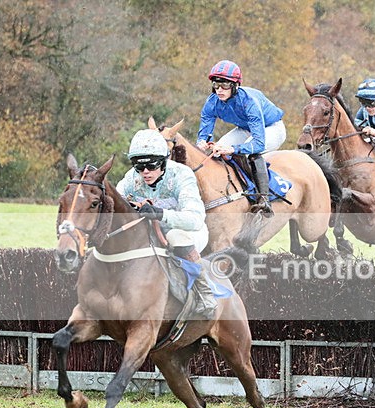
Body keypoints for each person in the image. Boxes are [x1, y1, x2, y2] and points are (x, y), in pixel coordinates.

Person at [117, 129, 217, 319]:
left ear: (164, 161)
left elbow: (195, 219)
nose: (145, 172)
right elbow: (116, 204)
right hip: (149, 233)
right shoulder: (131, 177)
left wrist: (160, 214)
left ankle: (205, 293)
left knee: (175, 236)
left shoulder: (181, 174)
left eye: (152, 165)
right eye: (139, 166)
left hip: (187, 232)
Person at [196, 60, 286, 217]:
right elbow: (205, 132)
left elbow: (258, 143)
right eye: (216, 85)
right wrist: (202, 143)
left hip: (271, 127)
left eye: (224, 85)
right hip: (245, 129)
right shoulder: (212, 102)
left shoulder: (249, 101)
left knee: (247, 152)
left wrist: (233, 149)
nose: (219, 90)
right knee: (217, 152)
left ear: (235, 85)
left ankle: (263, 199)